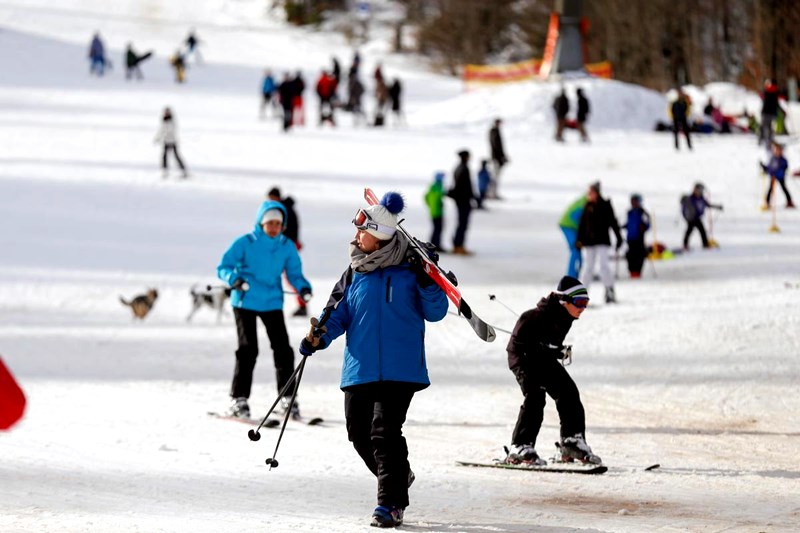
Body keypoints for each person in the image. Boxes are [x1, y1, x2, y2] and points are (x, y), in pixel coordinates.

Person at [298, 191, 448, 528]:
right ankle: (397, 475)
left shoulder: (412, 269)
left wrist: (428, 281)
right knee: (358, 432)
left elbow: (436, 312)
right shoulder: (354, 272)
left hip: (401, 367)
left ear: (379, 236)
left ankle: (391, 503)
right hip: (360, 366)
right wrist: (318, 336)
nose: (355, 236)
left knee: (384, 431)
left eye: (361, 231)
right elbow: (336, 314)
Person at [217, 200, 312, 420]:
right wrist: (234, 279)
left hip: (271, 302)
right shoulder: (246, 242)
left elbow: (294, 273)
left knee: (283, 350)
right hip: (245, 300)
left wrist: (303, 288)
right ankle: (238, 399)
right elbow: (224, 266)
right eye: (270, 223)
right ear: (261, 223)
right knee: (248, 349)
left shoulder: (285, 245)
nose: (274, 227)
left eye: (278, 223)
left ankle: (288, 398)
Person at [505, 276, 601, 466]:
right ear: (565, 300)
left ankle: (571, 442)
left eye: (586, 302)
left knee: (568, 392)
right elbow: (518, 343)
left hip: (542, 359)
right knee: (535, 397)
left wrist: (556, 350)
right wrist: (543, 348)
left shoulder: (567, 316)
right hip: (522, 359)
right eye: (580, 302)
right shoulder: (534, 316)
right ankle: (520, 446)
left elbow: (548, 344)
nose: (583, 307)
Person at [576, 182, 622, 303]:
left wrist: (619, 237)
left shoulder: (605, 205)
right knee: (587, 268)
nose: (589, 195)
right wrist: (579, 240)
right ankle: (581, 295)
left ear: (596, 193)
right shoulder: (587, 206)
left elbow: (613, 222)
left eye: (591, 193)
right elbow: (582, 225)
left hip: (602, 241)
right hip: (589, 243)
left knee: (603, 267)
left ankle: (609, 291)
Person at [267, 187, 308, 317]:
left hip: (287, 248)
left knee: (291, 276)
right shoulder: (285, 209)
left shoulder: (283, 211)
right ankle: (302, 303)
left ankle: (302, 304)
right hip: (288, 247)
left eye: (271, 198)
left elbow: (287, 231)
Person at [448, 149, 476, 255]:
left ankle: (458, 245)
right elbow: (464, 186)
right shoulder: (463, 169)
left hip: (461, 200)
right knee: (463, 224)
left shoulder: (458, 168)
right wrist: (472, 196)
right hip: (463, 200)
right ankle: (458, 245)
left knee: (462, 223)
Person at [681, 182, 723, 250]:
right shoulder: (691, 199)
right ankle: (685, 245)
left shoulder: (701, 199)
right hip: (691, 219)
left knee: (702, 231)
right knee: (689, 231)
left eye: (701, 190)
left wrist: (717, 207)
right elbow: (685, 208)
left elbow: (708, 205)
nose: (700, 192)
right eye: (699, 190)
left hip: (697, 218)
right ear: (695, 190)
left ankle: (705, 244)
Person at [153, 107, 188, 178]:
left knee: (176, 156)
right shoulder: (163, 120)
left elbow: (170, 130)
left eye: (168, 112)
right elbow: (161, 130)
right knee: (164, 156)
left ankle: (183, 170)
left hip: (172, 141)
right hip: (166, 141)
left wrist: (165, 133)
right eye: (166, 112)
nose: (166, 113)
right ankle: (165, 170)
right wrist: (157, 138)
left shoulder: (172, 121)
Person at [558, 195, 587, 279]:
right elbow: (574, 217)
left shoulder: (584, 200)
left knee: (577, 250)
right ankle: (571, 275)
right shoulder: (584, 203)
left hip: (571, 227)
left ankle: (576, 274)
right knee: (575, 248)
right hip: (568, 226)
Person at [624, 194, 650, 278]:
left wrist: (644, 227)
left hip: (639, 237)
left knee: (639, 254)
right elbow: (629, 223)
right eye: (632, 201)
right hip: (630, 238)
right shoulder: (630, 212)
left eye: (635, 201)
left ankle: (637, 271)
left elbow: (647, 224)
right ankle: (632, 271)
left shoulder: (642, 212)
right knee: (630, 255)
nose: (633, 203)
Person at [761, 142, 794, 209]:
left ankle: (789, 201)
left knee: (784, 188)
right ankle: (767, 203)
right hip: (773, 176)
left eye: (779, 150)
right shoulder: (772, 159)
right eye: (776, 150)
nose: (777, 152)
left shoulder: (783, 160)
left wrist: (779, 172)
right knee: (770, 189)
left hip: (780, 176)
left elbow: (784, 167)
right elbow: (769, 167)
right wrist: (765, 168)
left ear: (781, 151)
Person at [424, 172, 446, 252]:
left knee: (437, 229)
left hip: (434, 211)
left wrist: (430, 205)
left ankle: (433, 244)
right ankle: (436, 245)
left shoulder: (432, 186)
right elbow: (439, 195)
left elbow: (425, 197)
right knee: (438, 229)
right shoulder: (438, 186)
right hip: (437, 211)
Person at [759, 79, 783, 147]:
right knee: (769, 127)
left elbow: (762, 97)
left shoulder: (766, 91)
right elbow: (777, 104)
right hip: (772, 113)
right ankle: (769, 140)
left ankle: (762, 140)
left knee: (764, 127)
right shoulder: (775, 92)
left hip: (765, 112)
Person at [488, 118, 508, 199]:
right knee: (495, 176)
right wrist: (501, 157)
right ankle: (492, 193)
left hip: (497, 157)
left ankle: (492, 193)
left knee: (496, 176)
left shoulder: (495, 131)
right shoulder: (494, 131)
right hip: (496, 158)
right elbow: (496, 146)